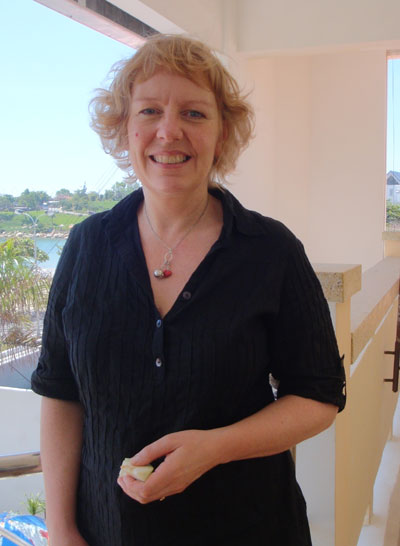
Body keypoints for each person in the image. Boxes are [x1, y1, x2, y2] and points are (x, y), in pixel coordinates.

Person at [31, 34, 346, 546]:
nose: (169, 130)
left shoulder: (271, 250)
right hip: (107, 532)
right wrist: (61, 529)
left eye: (194, 114)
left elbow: (318, 396)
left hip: (249, 529)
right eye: (150, 111)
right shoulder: (85, 245)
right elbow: (60, 391)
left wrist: (215, 447)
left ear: (223, 134)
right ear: (125, 129)